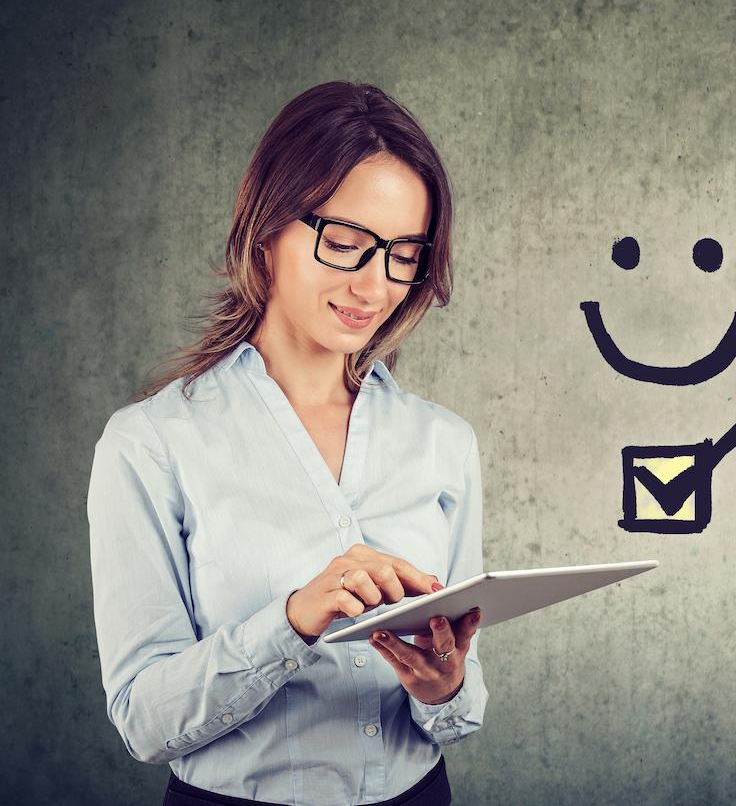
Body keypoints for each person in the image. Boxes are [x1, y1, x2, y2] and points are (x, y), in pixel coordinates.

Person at [86, 81, 488, 805]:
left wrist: (445, 683)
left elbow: (458, 714)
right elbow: (144, 723)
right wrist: (293, 619)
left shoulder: (443, 443)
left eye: (405, 254)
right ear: (267, 228)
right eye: (345, 244)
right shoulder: (151, 444)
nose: (376, 284)